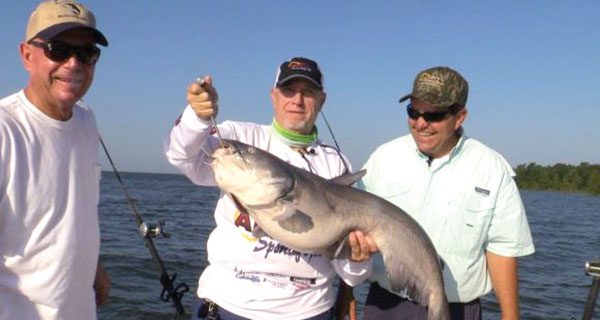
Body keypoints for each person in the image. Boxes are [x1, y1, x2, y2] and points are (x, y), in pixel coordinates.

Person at [164, 57, 378, 320]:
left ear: (322, 100)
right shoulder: (238, 138)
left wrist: (358, 260)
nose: (297, 100)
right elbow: (180, 154)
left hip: (309, 311)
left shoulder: (337, 165)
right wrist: (196, 117)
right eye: (288, 91)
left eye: (308, 92)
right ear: (273, 96)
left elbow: (348, 271)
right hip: (229, 306)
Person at [341, 66, 535, 320]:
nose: (421, 123)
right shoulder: (383, 158)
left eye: (434, 115)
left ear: (460, 116)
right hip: (386, 305)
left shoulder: (492, 168)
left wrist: (511, 317)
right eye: (413, 112)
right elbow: (350, 228)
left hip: (458, 310)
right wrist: (346, 295)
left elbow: (503, 249)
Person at [0, 1, 110, 319]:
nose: (74, 63)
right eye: (58, 49)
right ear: (26, 55)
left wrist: (93, 263)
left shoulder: (86, 120)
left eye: (87, 53)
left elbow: (71, 210)